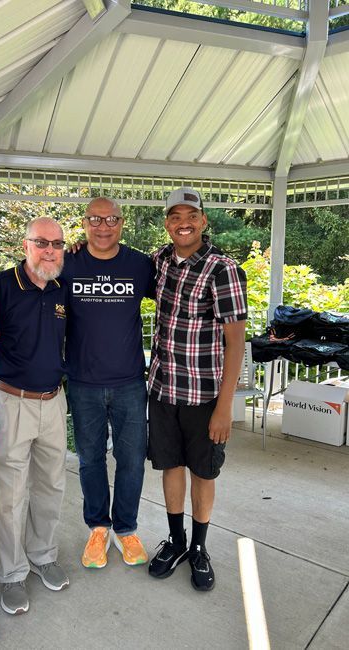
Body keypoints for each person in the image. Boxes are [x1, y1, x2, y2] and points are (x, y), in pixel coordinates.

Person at [147, 187, 247, 591]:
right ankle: (177, 541)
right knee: (171, 466)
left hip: (205, 397)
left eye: (191, 215)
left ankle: (200, 548)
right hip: (163, 389)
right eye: (175, 216)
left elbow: (236, 341)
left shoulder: (223, 269)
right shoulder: (159, 262)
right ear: (167, 222)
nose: (183, 222)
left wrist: (225, 407)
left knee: (203, 472)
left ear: (204, 221)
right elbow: (116, 261)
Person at [62, 197, 155, 569]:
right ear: (84, 223)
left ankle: (127, 529)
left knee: (131, 459)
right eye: (95, 220)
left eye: (111, 219)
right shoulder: (68, 262)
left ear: (122, 222)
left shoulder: (139, 264)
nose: (104, 226)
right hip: (82, 381)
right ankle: (98, 527)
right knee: (90, 460)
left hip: (130, 381)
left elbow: (175, 291)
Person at [0, 217, 69, 616]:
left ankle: (42, 554)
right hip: (11, 401)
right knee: (12, 496)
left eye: (56, 243)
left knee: (52, 485)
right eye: (41, 243)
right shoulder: (1, 287)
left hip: (54, 402)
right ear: (26, 245)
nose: (49, 250)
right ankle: (13, 573)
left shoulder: (61, 288)